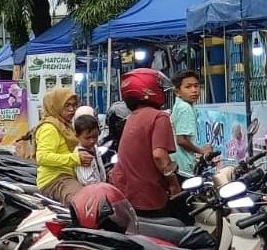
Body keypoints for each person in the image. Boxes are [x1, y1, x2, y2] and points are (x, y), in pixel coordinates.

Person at [108, 68, 179, 216]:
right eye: (160, 88)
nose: (163, 92)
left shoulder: (132, 117)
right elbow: (159, 155)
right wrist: (174, 184)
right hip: (148, 197)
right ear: (150, 89)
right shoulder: (159, 117)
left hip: (124, 195)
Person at [33, 86, 92, 204]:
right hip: (55, 180)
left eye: (74, 105)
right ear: (56, 106)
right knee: (84, 202)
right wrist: (76, 159)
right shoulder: (49, 128)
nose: (72, 109)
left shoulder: (65, 125)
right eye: (67, 105)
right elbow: (42, 157)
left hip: (68, 176)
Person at [170, 69, 213, 178]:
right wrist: (201, 151)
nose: (194, 90)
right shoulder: (185, 108)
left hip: (177, 164)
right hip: (183, 166)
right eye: (188, 87)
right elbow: (181, 140)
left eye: (196, 86)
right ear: (177, 92)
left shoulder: (180, 105)